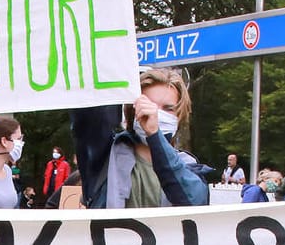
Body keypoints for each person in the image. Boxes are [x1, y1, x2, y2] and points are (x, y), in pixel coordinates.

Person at [74, 66, 209, 209]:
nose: (154, 113)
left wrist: (154, 135)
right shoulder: (104, 157)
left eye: (168, 109)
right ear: (133, 110)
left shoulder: (188, 165)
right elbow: (89, 110)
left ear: (180, 115)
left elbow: (193, 201)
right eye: (147, 105)